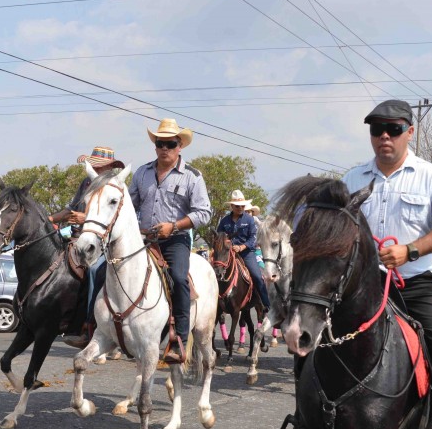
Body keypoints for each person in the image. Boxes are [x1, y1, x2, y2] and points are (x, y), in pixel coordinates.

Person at [280, 100, 432, 429]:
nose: (384, 136)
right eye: (377, 129)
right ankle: (304, 423)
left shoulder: (429, 176)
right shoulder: (352, 179)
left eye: (394, 129)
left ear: (409, 133)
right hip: (361, 291)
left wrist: (410, 249)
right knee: (305, 344)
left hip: (415, 284)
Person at [128, 119, 212, 363]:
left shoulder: (193, 177)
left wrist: (173, 226)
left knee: (177, 278)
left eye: (170, 143)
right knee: (106, 269)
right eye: (160, 143)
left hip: (175, 240)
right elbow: (129, 205)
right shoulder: (141, 173)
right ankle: (95, 327)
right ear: (155, 146)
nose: (164, 147)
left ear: (180, 146)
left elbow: (203, 212)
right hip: (144, 240)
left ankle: (179, 341)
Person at [54, 146, 127, 349]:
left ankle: (89, 326)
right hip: (79, 237)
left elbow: (113, 216)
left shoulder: (113, 185)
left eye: (99, 165)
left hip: (103, 241)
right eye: (93, 164)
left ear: (110, 167)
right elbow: (70, 208)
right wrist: (48, 219)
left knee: (94, 271)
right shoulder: (86, 182)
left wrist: (84, 218)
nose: (95, 168)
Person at [216, 190, 271, 311]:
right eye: (237, 206)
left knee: (257, 276)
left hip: (247, 253)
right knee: (214, 272)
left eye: (242, 206)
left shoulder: (249, 220)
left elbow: (253, 238)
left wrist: (241, 247)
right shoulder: (224, 221)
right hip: (228, 253)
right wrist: (227, 244)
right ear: (231, 206)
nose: (240, 208)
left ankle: (266, 303)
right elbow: (219, 237)